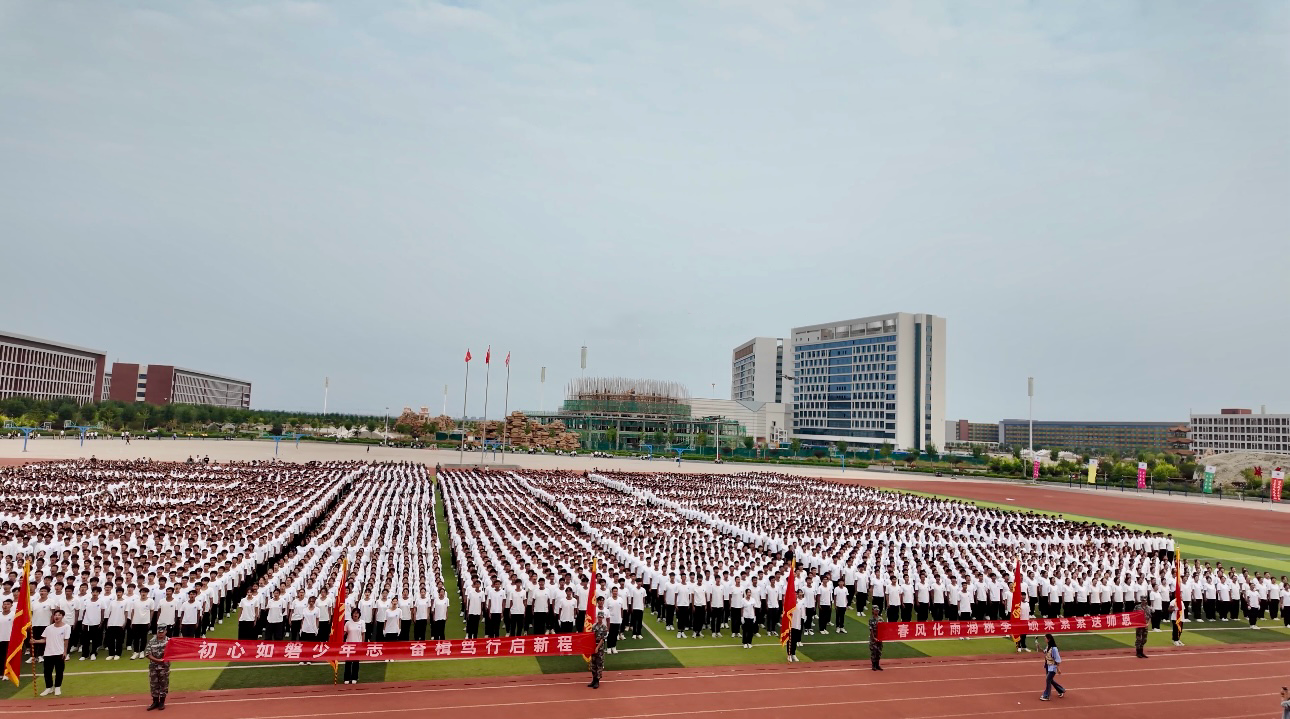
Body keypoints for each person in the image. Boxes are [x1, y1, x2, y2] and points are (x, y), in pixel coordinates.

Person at [34, 609, 71, 697]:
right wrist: (35, 641)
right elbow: (44, 640)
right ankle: (49, 688)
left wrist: (65, 652)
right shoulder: (48, 628)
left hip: (59, 653)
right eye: (55, 615)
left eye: (59, 615)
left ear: (62, 616)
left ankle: (57, 687)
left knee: (59, 671)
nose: (57, 617)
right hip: (48, 653)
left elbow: (66, 640)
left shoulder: (66, 627)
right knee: (47, 672)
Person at [145, 625, 171, 711]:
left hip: (164, 667)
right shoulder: (152, 641)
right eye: (159, 632)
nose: (160, 634)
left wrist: (164, 660)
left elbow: (173, 652)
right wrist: (157, 660)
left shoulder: (169, 641)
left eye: (162, 632)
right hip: (154, 667)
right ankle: (155, 702)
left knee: (163, 684)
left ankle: (162, 702)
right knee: (154, 684)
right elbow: (147, 654)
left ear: (165, 632)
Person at [588, 597, 608, 689]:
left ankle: (597, 681)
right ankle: (593, 679)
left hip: (599, 648)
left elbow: (602, 639)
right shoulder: (594, 626)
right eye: (599, 617)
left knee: (599, 664)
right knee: (593, 664)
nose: (600, 618)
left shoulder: (604, 627)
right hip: (593, 646)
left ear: (603, 618)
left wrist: (597, 647)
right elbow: (591, 636)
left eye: (601, 617)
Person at [1040, 634, 1065, 701]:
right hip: (1048, 665)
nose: (1044, 639)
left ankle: (1046, 695)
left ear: (1049, 639)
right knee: (1050, 680)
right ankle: (1060, 690)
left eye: (1045, 638)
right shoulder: (1048, 646)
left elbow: (1057, 659)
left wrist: (1058, 668)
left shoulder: (1054, 649)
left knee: (1048, 680)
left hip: (1052, 666)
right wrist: (1039, 648)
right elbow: (1045, 652)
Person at [342, 609, 364, 684]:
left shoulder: (362, 622)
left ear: (359, 615)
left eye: (357, 613)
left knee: (356, 662)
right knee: (348, 662)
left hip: (358, 645)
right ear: (352, 614)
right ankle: (347, 678)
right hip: (349, 645)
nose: (355, 615)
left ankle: (354, 677)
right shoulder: (348, 623)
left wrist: (362, 644)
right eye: (354, 613)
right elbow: (344, 633)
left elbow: (363, 634)